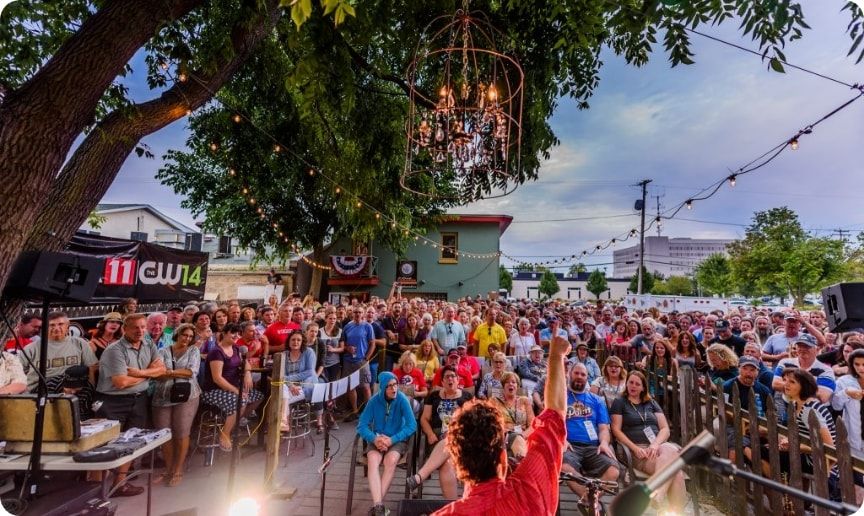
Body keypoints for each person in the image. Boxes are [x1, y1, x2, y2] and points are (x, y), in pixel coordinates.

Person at [430, 335, 571, 515]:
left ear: (456, 465)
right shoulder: (528, 490)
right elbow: (555, 413)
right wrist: (556, 357)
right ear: (503, 457)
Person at [95, 313, 166, 497]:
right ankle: (94, 493)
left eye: (143, 327)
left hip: (139, 399)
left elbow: (162, 369)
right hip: (113, 401)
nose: (140, 331)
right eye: (135, 327)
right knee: (105, 445)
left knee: (130, 442)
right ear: (124, 329)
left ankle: (120, 484)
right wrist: (149, 374)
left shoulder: (148, 343)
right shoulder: (115, 350)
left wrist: (140, 372)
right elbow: (120, 382)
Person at [611, 370, 686, 513]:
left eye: (637, 384)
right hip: (639, 451)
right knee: (677, 473)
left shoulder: (651, 403)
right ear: (626, 384)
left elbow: (665, 429)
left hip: (658, 446)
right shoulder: (620, 402)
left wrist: (655, 444)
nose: (633, 386)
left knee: (670, 448)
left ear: (643, 387)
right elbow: (616, 430)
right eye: (630, 382)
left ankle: (658, 494)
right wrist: (634, 448)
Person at [357, 371, 417, 516]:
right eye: (389, 386)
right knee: (373, 460)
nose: (394, 389)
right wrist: (374, 439)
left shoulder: (402, 399)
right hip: (377, 439)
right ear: (383, 388)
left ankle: (377, 506)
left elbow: (412, 425)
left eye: (395, 385)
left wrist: (391, 440)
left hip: (396, 438)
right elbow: (361, 426)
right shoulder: (373, 401)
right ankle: (379, 506)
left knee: (390, 460)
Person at [409, 365, 473, 499]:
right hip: (437, 438)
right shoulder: (433, 396)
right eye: (447, 377)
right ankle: (453, 508)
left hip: (462, 438)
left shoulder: (467, 397)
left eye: (453, 376)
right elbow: (424, 419)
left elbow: (472, 421)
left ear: (457, 380)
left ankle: (420, 476)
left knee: (449, 442)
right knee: (446, 464)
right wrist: (430, 434)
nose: (450, 379)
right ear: (442, 381)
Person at [561, 360, 620, 499]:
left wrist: (604, 443)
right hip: (570, 446)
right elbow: (554, 424)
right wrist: (562, 440)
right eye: (576, 373)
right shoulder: (561, 397)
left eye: (583, 374)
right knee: (564, 469)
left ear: (587, 378)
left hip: (593, 446)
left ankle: (589, 500)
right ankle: (591, 501)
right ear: (569, 374)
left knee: (613, 471)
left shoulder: (597, 400)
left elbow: (604, 428)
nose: (580, 376)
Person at [151, 323, 200, 487]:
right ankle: (169, 468)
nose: (187, 339)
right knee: (164, 433)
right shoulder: (163, 350)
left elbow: (191, 372)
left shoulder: (194, 350)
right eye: (184, 335)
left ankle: (178, 469)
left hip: (187, 395)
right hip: (163, 395)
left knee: (182, 432)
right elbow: (157, 373)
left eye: (190, 337)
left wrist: (169, 372)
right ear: (177, 334)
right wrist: (173, 372)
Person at [202, 323, 263, 451]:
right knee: (240, 400)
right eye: (233, 332)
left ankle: (236, 420)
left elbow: (246, 363)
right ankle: (225, 433)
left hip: (234, 387)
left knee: (258, 396)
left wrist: (247, 373)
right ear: (224, 333)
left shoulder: (236, 348)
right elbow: (217, 378)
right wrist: (236, 390)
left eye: (239, 333)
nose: (236, 336)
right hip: (214, 390)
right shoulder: (216, 352)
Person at [19, 311, 98, 392]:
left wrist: (91, 391)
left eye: (60, 324)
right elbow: (18, 374)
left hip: (73, 390)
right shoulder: (31, 349)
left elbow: (92, 368)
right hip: (40, 391)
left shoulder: (80, 343)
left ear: (67, 325)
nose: (56, 328)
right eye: (52, 325)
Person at [721, 356, 772, 462]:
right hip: (734, 426)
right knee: (736, 442)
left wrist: (764, 428)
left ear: (757, 372)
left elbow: (771, 414)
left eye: (752, 370)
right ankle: (731, 475)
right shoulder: (727, 387)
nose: (748, 373)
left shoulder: (764, 390)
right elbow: (723, 411)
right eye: (745, 369)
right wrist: (746, 426)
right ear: (739, 369)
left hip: (760, 428)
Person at [831, 348, 864, 499]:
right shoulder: (845, 381)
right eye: (857, 364)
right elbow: (836, 405)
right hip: (854, 438)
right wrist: (846, 393)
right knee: (856, 481)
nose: (861, 368)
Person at [282, 330, 323, 432]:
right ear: (288, 341)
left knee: (280, 398)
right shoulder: (284, 354)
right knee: (282, 390)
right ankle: (284, 422)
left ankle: (284, 422)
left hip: (305, 386)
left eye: (298, 340)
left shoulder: (309, 352)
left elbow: (309, 372)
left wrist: (289, 379)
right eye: (293, 340)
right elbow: (282, 375)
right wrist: (290, 385)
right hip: (289, 387)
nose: (295, 342)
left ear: (302, 342)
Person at [341, 307, 375, 421]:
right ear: (352, 313)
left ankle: (369, 413)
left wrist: (366, 358)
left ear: (363, 314)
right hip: (348, 361)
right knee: (350, 387)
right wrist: (347, 348)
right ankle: (355, 411)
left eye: (360, 312)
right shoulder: (347, 326)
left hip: (361, 361)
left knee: (365, 387)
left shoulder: (367, 326)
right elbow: (342, 344)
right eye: (355, 312)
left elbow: (372, 344)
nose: (357, 314)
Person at [492, 372, 534, 458]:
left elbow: (533, 425)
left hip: (524, 436)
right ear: (503, 386)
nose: (511, 384)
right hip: (504, 436)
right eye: (507, 382)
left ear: (517, 386)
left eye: (513, 382)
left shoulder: (524, 401)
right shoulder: (494, 401)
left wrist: (522, 436)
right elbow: (492, 424)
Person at [319, 312, 343, 382]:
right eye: (330, 318)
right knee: (323, 383)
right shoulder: (319, 331)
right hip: (322, 363)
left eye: (334, 319)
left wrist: (333, 350)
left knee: (333, 384)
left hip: (335, 363)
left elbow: (342, 348)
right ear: (326, 319)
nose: (332, 320)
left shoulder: (340, 331)